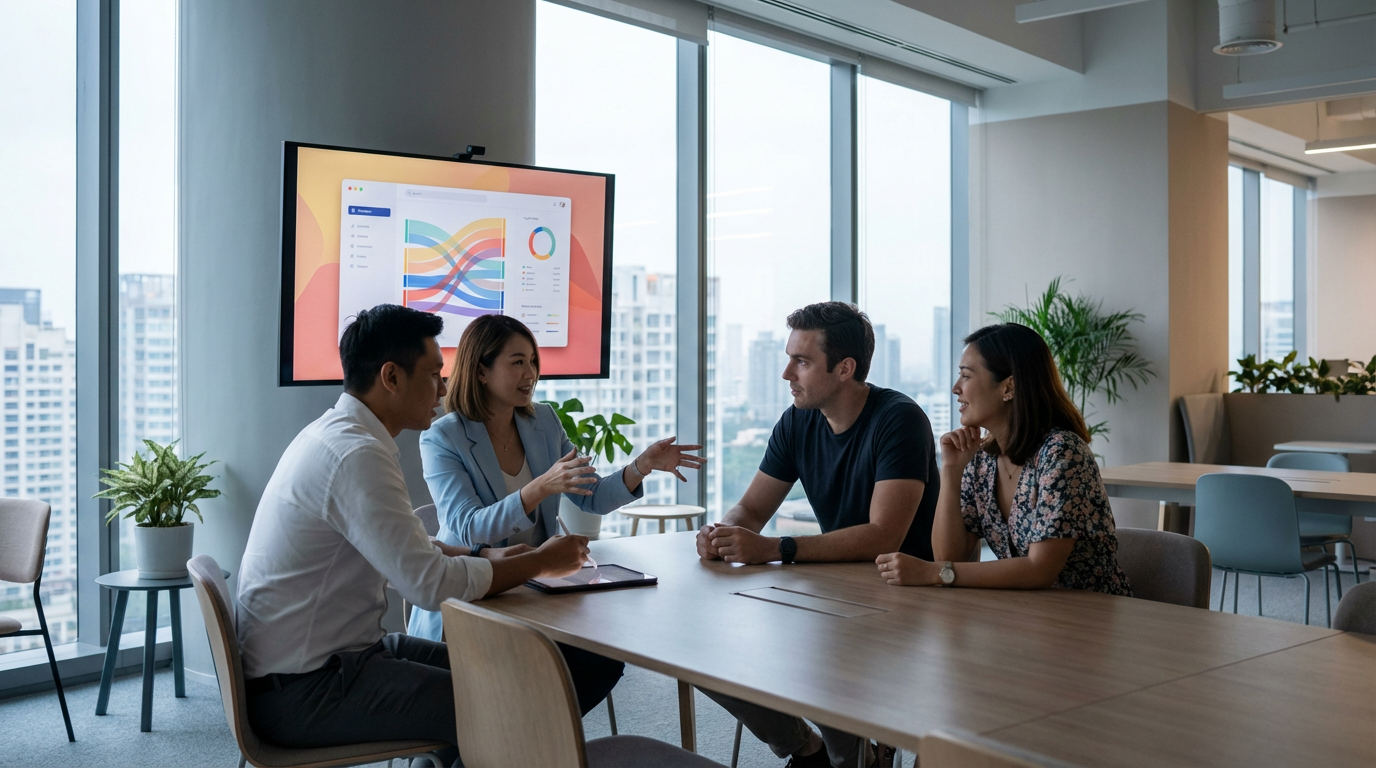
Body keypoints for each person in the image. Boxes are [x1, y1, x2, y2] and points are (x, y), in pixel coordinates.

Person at [235, 305, 591, 765]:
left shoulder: (335, 436)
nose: (444, 389)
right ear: (391, 377)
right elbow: (428, 586)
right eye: (434, 374)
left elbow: (409, 551)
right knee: (508, 705)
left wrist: (486, 556)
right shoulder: (355, 455)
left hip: (332, 662)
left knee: (516, 677)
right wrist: (540, 561)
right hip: (309, 689)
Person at [408, 313, 704, 713]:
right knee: (524, 674)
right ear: (481, 370)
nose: (530, 373)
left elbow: (591, 496)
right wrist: (539, 487)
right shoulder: (443, 437)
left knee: (601, 661)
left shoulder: (543, 420)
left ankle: (518, 743)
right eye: (517, 362)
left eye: (533, 361)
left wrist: (641, 467)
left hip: (538, 590)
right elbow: (468, 527)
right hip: (476, 593)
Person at [695, 301, 940, 768]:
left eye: (801, 361)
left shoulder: (899, 419)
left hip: (901, 596)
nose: (787, 372)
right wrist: (725, 531)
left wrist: (776, 548)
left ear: (845, 368)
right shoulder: (798, 419)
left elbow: (884, 535)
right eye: (789, 358)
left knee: (812, 663)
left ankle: (860, 754)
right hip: (830, 589)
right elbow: (751, 507)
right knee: (707, 654)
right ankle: (804, 750)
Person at [875, 322, 1131, 596]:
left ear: (1008, 387)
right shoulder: (981, 460)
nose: (955, 388)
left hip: (1090, 619)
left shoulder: (1061, 453)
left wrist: (930, 573)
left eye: (966, 376)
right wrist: (951, 471)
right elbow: (949, 558)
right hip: (1024, 617)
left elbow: (1039, 570)